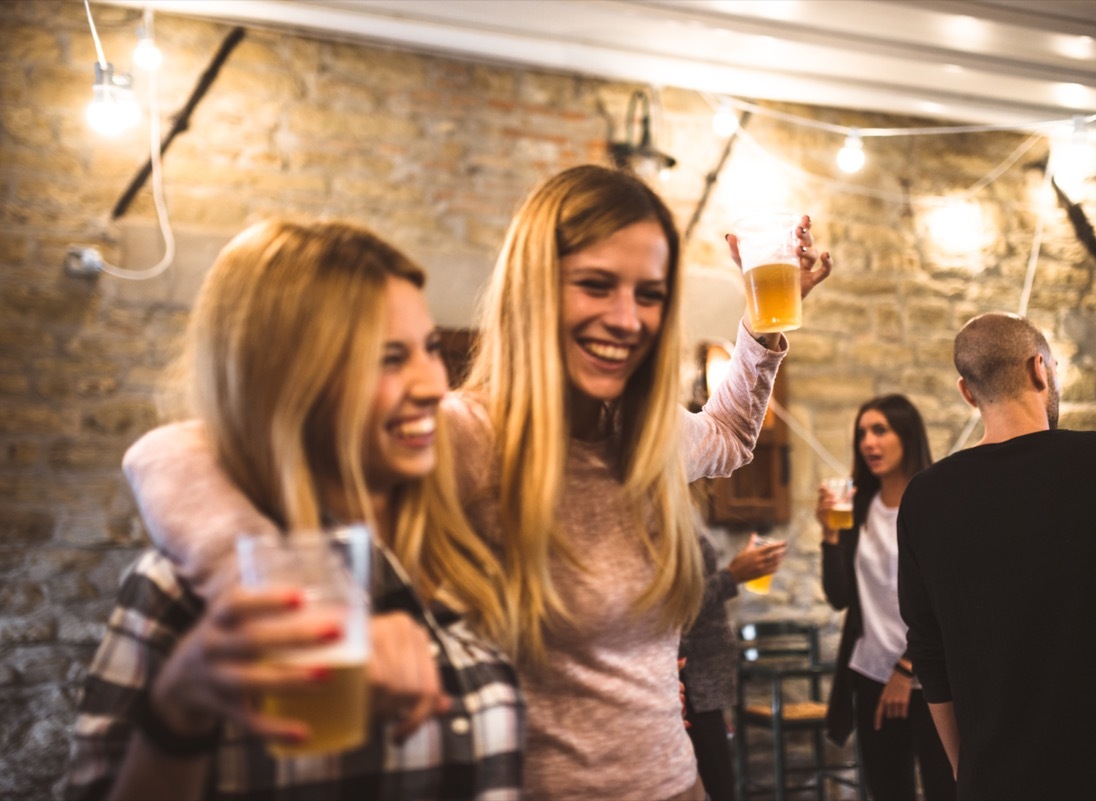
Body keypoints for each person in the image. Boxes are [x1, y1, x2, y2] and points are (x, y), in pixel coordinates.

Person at [116, 165, 834, 801]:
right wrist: (267, 588)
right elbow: (174, 452)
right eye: (595, 284)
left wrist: (764, 321)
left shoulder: (650, 442)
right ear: (535, 289)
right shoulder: (471, 434)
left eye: (649, 294)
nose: (627, 317)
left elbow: (735, 433)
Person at [65, 220, 522, 800]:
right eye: (388, 358)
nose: (433, 385)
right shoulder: (182, 590)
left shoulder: (459, 550)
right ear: (290, 383)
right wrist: (177, 711)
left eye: (430, 349)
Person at [897, 311, 1096, 799]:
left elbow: (930, 653)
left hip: (999, 778)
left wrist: (966, 770)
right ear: (1042, 369)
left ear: (968, 392)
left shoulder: (925, 497)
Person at [817, 394, 954, 801]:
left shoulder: (933, 502)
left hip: (928, 673)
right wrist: (828, 535)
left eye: (880, 430)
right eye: (862, 433)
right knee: (887, 790)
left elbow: (944, 598)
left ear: (907, 436)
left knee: (945, 787)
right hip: (870, 673)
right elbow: (840, 596)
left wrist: (907, 668)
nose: (868, 443)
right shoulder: (860, 506)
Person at [679, 530, 787, 801]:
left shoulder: (679, 513)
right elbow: (674, 607)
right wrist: (733, 576)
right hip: (688, 685)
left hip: (703, 689)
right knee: (716, 790)